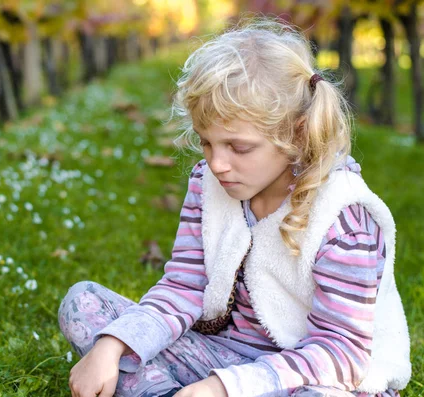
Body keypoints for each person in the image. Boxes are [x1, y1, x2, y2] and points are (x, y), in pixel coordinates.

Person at [57, 18, 412, 397]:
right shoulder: (208, 185)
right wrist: (113, 346)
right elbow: (184, 287)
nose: (217, 163)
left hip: (314, 375)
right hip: (221, 355)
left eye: (238, 147)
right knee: (84, 303)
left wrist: (225, 387)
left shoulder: (342, 216)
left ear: (296, 133)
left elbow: (341, 351)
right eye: (206, 143)